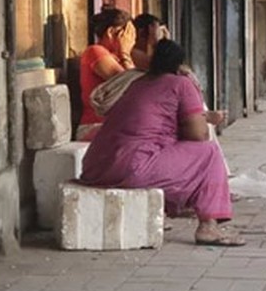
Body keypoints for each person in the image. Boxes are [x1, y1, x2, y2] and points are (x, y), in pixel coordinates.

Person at [81, 39, 243, 246]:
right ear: (179, 65)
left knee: (171, 152)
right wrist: (205, 119)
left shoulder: (137, 83)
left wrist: (198, 117)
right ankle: (208, 227)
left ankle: (169, 209)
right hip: (131, 167)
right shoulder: (181, 83)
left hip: (95, 167)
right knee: (209, 153)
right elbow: (198, 135)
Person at [77, 7, 135, 140]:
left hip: (114, 125)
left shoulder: (117, 57)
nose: (131, 41)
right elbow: (129, 84)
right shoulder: (95, 51)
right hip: (95, 125)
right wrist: (125, 53)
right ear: (111, 32)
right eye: (128, 35)